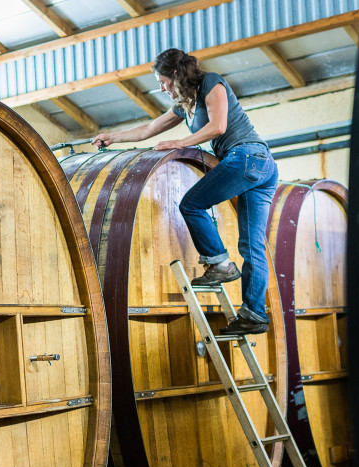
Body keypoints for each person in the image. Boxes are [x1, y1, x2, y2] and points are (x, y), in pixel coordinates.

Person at [91, 48, 278, 335]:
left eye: (162, 81)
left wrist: (180, 142)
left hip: (249, 156)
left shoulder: (211, 83)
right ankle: (254, 315)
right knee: (251, 246)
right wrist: (111, 136)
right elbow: (150, 128)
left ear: (176, 74)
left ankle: (219, 264)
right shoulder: (184, 104)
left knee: (191, 204)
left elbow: (218, 126)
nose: (161, 88)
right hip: (258, 167)